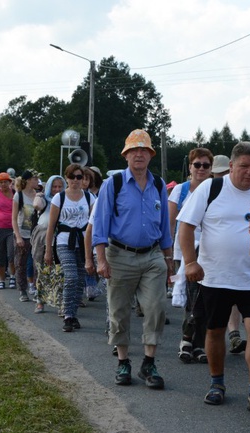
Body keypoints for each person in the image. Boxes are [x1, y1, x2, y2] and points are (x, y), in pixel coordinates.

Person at [178, 141, 250, 411]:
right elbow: (186, 226)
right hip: (216, 277)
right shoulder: (211, 188)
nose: (249, 172)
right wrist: (190, 262)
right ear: (231, 167)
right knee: (214, 331)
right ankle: (217, 383)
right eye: (244, 166)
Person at [92, 129, 174, 389]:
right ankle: (123, 361)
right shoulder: (113, 184)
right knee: (119, 311)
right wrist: (101, 260)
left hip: (152, 256)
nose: (139, 154)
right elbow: (100, 225)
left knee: (156, 308)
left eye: (144, 150)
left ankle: (149, 362)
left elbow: (164, 225)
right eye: (134, 150)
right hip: (119, 255)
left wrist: (168, 255)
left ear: (151, 155)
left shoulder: (159, 184)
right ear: (126, 155)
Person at [169, 147, 213, 363]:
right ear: (190, 167)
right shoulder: (180, 190)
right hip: (183, 251)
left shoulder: (216, 189)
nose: (201, 169)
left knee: (205, 297)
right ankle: (188, 339)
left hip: (209, 251)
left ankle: (198, 342)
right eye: (197, 165)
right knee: (190, 295)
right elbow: (170, 222)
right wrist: (167, 252)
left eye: (206, 165)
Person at [45, 164, 93, 332]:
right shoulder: (59, 197)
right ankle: (67, 315)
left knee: (80, 279)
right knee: (71, 277)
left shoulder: (89, 198)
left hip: (83, 242)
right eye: (72, 176)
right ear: (67, 178)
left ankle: (73, 314)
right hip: (64, 241)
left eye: (79, 177)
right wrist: (48, 250)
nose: (76, 180)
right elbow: (51, 226)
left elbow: (94, 224)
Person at [212, 154, 248, 353]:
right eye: (220, 174)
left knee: (233, 296)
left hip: (239, 258)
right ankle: (195, 339)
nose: (224, 176)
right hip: (208, 258)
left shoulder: (246, 193)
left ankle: (234, 335)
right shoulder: (206, 192)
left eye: (226, 172)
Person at [32, 174, 66, 313]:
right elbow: (37, 206)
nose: (57, 189)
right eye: (54, 186)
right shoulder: (44, 199)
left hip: (61, 238)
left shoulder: (66, 200)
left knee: (59, 273)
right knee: (43, 271)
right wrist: (40, 195)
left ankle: (60, 303)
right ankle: (40, 301)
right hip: (43, 237)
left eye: (60, 186)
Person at [12, 169, 39, 302]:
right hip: (23, 234)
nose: (37, 181)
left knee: (35, 263)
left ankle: (35, 287)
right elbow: (14, 218)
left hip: (36, 235)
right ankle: (22, 290)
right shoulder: (19, 196)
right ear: (28, 180)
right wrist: (18, 236)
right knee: (21, 263)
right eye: (35, 178)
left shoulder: (38, 195)